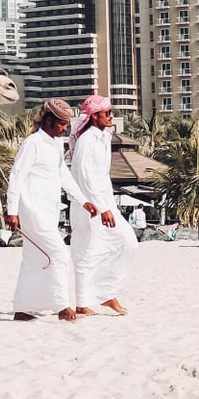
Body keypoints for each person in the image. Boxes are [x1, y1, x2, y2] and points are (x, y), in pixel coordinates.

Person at [5, 98, 99, 322]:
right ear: (48, 121)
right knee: (59, 254)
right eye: (61, 124)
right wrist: (11, 210)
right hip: (32, 210)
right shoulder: (32, 143)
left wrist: (83, 200)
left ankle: (23, 308)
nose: (65, 128)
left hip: (48, 210)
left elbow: (63, 176)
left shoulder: (55, 145)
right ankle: (63, 307)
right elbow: (16, 176)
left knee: (33, 258)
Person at [69, 94, 139, 317]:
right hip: (88, 206)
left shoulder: (103, 138)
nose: (111, 116)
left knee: (128, 243)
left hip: (106, 202)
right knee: (86, 252)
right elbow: (85, 177)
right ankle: (83, 303)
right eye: (107, 113)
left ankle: (106, 293)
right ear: (94, 116)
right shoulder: (86, 141)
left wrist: (108, 205)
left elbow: (100, 177)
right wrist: (101, 207)